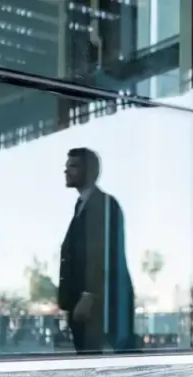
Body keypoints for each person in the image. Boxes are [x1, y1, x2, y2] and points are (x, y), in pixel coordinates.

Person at [58, 147, 136, 354]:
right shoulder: (82, 205)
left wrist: (89, 295)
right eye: (67, 166)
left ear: (90, 171)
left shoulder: (104, 204)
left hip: (98, 307)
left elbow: (101, 252)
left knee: (95, 365)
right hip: (84, 305)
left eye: (73, 166)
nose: (66, 171)